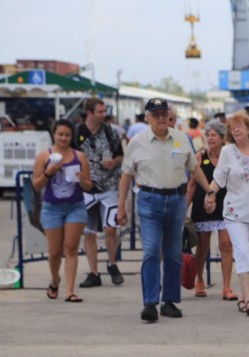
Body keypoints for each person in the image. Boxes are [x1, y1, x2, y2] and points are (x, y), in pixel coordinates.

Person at [117, 98, 203, 322]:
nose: (161, 117)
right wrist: (121, 207)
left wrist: (209, 190)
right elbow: (126, 175)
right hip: (149, 200)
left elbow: (194, 168)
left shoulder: (182, 139)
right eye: (156, 114)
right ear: (147, 117)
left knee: (174, 254)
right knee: (152, 251)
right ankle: (150, 302)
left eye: (164, 113)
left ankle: (170, 301)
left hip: (176, 200)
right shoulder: (137, 142)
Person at [204, 111, 249, 316]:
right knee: (241, 251)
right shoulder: (227, 151)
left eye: (239, 126)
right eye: (232, 128)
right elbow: (219, 178)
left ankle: (243, 296)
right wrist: (210, 195)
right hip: (234, 211)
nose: (235, 130)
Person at [33, 119, 92, 302]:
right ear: (54, 134)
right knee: (54, 252)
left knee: (71, 247)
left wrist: (82, 179)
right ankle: (54, 279)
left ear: (71, 136)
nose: (64, 138)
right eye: (60, 134)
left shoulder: (79, 156)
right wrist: (49, 172)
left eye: (67, 135)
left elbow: (89, 186)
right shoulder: (44, 156)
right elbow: (36, 185)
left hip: (76, 206)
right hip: (52, 208)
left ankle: (70, 291)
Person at [75, 97, 125, 289]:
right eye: (100, 112)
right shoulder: (78, 132)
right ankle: (93, 272)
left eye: (105, 111)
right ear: (89, 113)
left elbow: (120, 155)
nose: (104, 115)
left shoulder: (111, 132)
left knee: (111, 227)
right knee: (88, 232)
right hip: (85, 188)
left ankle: (112, 263)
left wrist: (114, 162)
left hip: (108, 186)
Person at [185, 119, 237, 301]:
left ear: (223, 138)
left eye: (214, 135)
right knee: (203, 246)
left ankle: (227, 287)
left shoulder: (229, 155)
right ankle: (199, 280)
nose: (210, 138)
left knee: (226, 245)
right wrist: (185, 207)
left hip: (225, 204)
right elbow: (192, 185)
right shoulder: (200, 156)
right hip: (203, 204)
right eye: (208, 135)